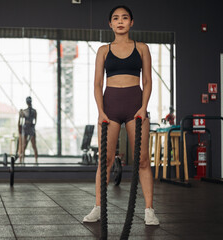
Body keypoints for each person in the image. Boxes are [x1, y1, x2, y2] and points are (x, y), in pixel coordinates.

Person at [83, 5, 159, 226]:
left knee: (143, 160)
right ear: (110, 24)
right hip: (110, 107)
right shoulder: (103, 50)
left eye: (125, 18)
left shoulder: (142, 48)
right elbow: (97, 83)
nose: (120, 21)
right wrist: (100, 111)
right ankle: (98, 207)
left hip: (136, 105)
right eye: (115, 18)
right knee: (104, 160)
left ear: (131, 22)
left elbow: (147, 81)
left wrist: (144, 107)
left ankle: (149, 210)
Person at [18, 96, 38, 164]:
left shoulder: (32, 111)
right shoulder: (25, 111)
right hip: (27, 127)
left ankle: (36, 160)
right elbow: (21, 120)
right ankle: (22, 158)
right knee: (24, 144)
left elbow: (35, 121)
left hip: (29, 128)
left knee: (33, 144)